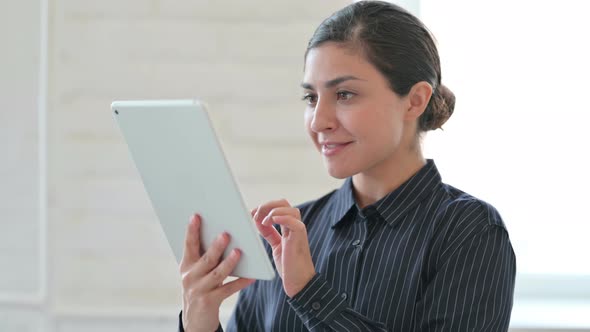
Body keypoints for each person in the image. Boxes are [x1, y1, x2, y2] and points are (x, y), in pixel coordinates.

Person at [178, 1, 516, 331]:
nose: (319, 121)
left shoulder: (470, 231)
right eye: (311, 98)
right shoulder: (282, 238)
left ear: (415, 100)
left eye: (344, 95)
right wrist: (200, 322)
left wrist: (309, 293)